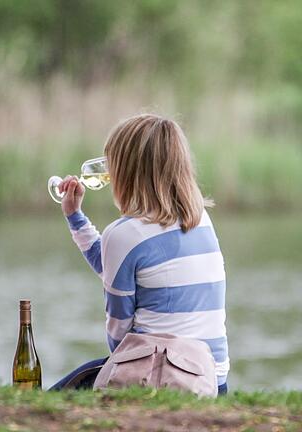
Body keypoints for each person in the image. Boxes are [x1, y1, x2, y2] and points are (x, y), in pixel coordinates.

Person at [49, 114, 229, 394]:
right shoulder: (200, 219)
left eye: (112, 163)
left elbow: (119, 338)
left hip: (159, 375)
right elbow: (117, 265)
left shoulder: (124, 234)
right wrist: (75, 217)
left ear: (127, 171)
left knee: (56, 397)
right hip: (212, 381)